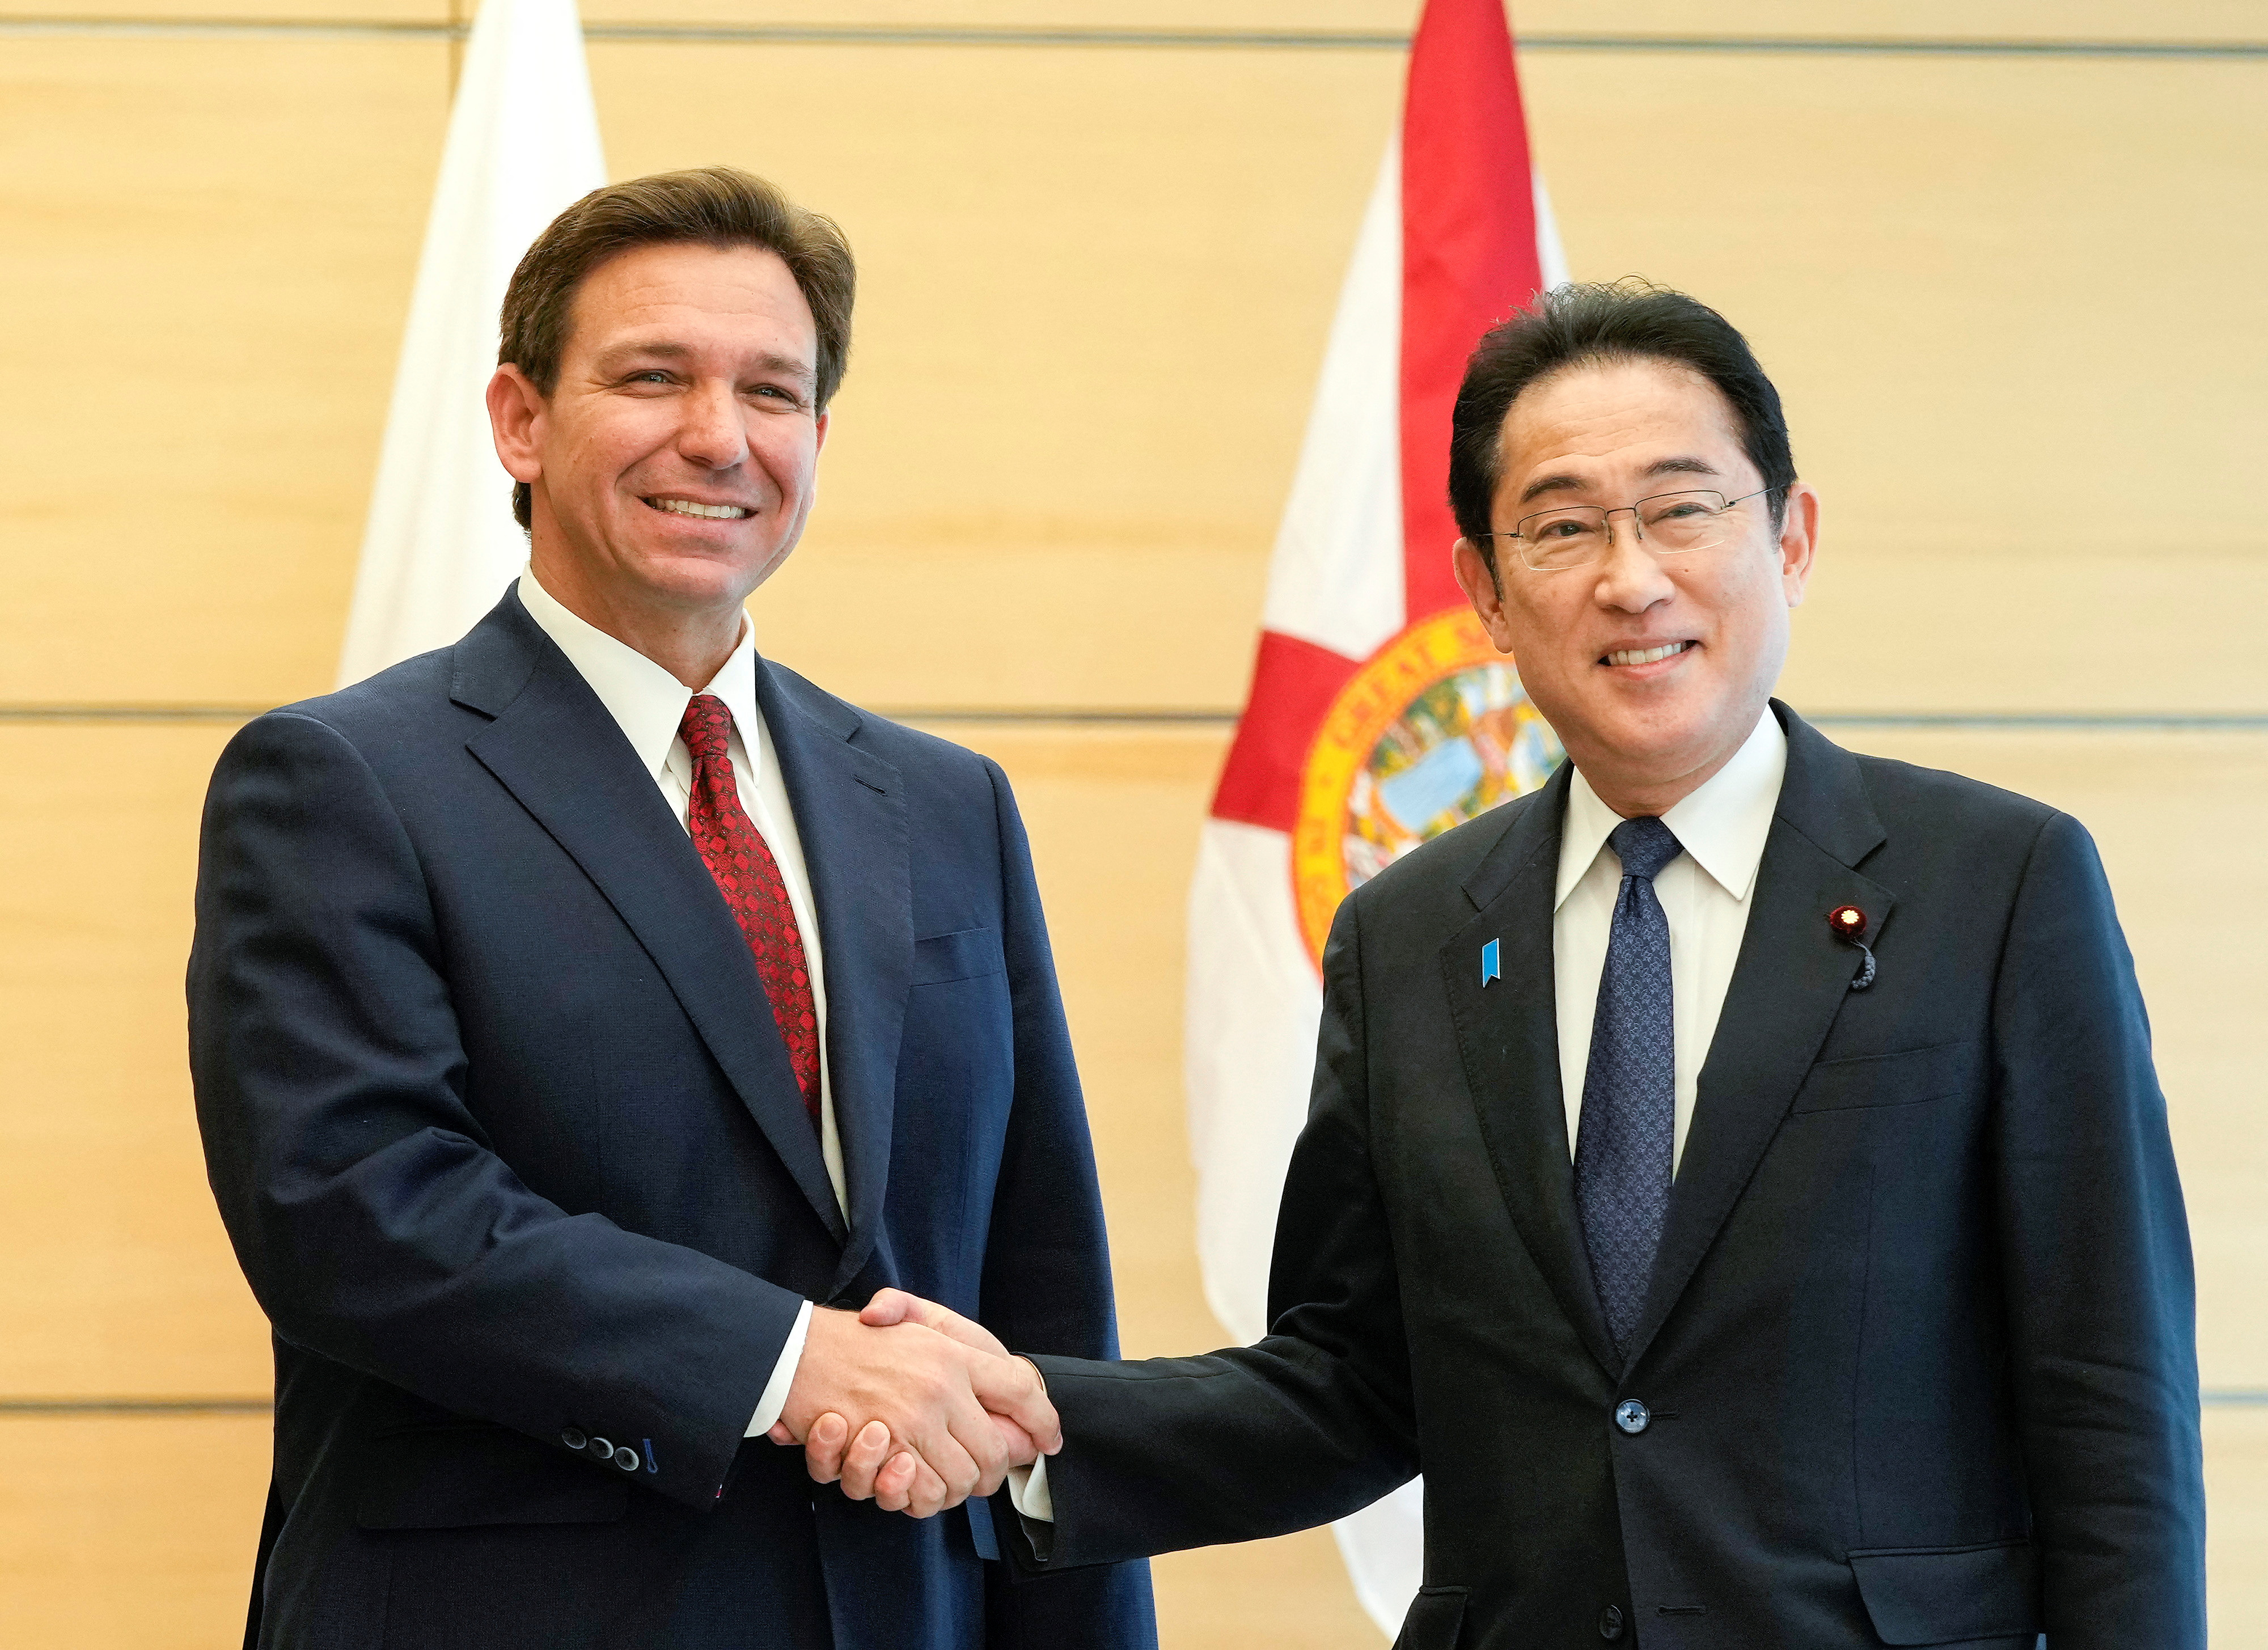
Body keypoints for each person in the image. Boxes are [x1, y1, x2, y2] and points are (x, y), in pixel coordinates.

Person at [803, 282, 2206, 1647]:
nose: (1630, 576)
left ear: (1788, 536)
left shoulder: (1995, 886)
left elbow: (2105, 1399)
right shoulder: (1408, 933)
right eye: (1562, 527)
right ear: (1483, 586)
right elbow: (1352, 1383)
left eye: (1681, 507)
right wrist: (1031, 1418)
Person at [188, 166, 1152, 1650]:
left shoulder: (947, 804)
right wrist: (788, 1361)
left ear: (819, 436)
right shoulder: (342, 782)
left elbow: (1042, 1301)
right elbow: (357, 1209)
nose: (720, 434)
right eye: (654, 377)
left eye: (773, 389)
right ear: (520, 418)